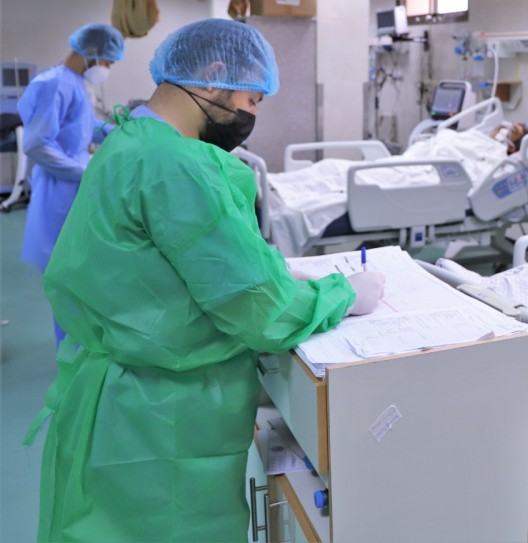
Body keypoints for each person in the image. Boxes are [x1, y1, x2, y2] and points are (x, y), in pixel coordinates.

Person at [24, 19, 385, 542]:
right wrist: (344, 293)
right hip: (163, 424)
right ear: (215, 76)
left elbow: (167, 263)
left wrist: (268, 268)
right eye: (252, 100)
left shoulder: (132, 135)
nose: (251, 115)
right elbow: (262, 309)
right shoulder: (178, 165)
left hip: (117, 403)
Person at [18, 23, 125, 342]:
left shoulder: (75, 83)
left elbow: (83, 127)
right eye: (107, 62)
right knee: (67, 276)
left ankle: (80, 346)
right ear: (91, 52)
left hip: (72, 185)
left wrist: (120, 130)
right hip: (58, 191)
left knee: (81, 274)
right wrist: (85, 172)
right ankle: (71, 351)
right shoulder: (54, 83)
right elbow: (37, 144)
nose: (107, 70)